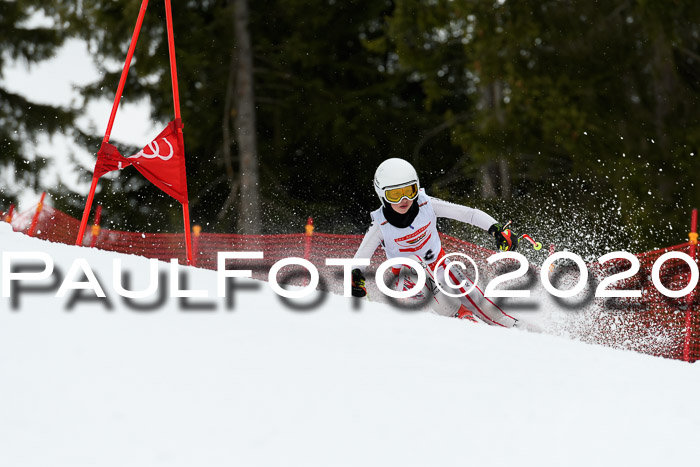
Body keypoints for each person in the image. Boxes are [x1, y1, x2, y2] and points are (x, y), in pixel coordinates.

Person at [350, 158, 518, 328]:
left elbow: (468, 214)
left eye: (410, 190)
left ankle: (519, 330)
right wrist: (355, 279)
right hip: (409, 283)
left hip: (441, 269)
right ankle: (461, 316)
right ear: (382, 195)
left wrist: (496, 229)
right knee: (414, 262)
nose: (404, 199)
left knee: (486, 308)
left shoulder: (426, 204)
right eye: (395, 195)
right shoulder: (380, 224)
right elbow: (359, 261)